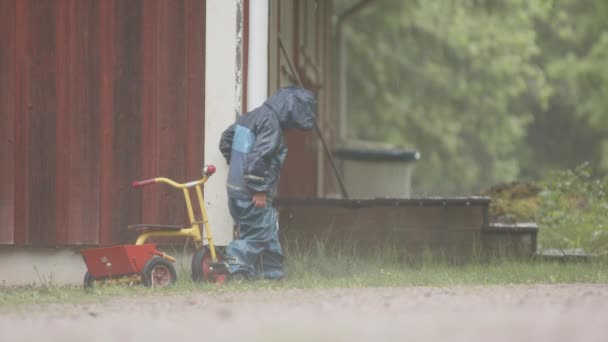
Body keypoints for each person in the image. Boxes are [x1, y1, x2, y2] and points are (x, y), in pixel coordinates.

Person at [219, 86, 317, 281]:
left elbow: (226, 139)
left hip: (235, 191)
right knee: (259, 235)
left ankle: (271, 275)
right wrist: (259, 190)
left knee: (267, 231)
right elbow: (260, 157)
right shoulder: (270, 124)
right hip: (251, 194)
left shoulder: (250, 116)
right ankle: (234, 264)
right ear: (291, 110)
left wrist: (236, 163)